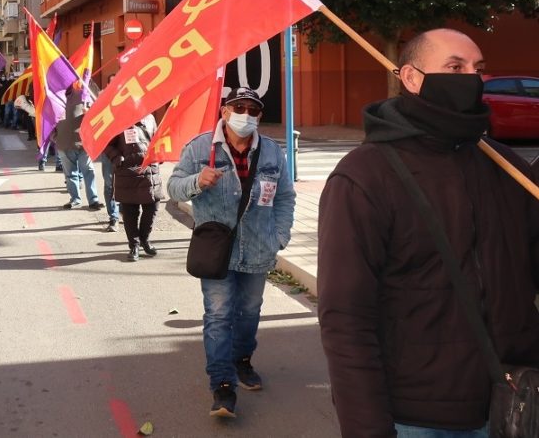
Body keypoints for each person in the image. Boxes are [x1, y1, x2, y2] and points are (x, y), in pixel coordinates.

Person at [317, 28, 539, 438]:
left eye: (478, 69)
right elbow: (345, 317)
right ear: (412, 78)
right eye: (455, 67)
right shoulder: (365, 176)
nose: (471, 78)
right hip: (417, 417)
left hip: (513, 402)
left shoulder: (507, 168)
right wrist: (367, 427)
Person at [168, 87, 295, 419]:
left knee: (250, 312)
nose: (247, 115)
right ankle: (222, 386)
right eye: (239, 107)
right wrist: (198, 180)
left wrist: (280, 236)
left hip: (259, 248)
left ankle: (242, 359)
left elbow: (285, 197)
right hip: (216, 251)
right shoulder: (200, 148)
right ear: (224, 112)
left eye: (254, 110)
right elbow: (172, 187)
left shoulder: (271, 152)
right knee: (219, 315)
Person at [104, 113, 162, 258]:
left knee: (152, 208)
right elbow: (107, 144)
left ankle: (144, 239)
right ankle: (134, 245)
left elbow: (157, 139)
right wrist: (117, 157)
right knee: (130, 212)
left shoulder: (150, 118)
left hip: (149, 171)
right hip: (127, 172)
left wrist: (159, 155)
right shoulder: (119, 119)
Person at [53, 84, 103, 211]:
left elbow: (96, 113)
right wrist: (56, 138)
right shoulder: (53, 98)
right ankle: (75, 200)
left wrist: (90, 113)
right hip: (64, 144)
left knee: (89, 172)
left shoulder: (83, 95)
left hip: (83, 144)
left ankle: (93, 200)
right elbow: (48, 122)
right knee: (70, 175)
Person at [99, 74, 122, 231]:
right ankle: (113, 217)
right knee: (109, 185)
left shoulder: (128, 99)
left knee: (125, 184)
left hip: (126, 149)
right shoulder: (101, 102)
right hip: (107, 149)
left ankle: (125, 213)